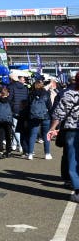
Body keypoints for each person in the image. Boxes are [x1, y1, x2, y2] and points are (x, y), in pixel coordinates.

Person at [47, 73, 79, 204]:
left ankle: (78, 191)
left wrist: (52, 128)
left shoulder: (70, 94)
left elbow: (60, 113)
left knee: (73, 159)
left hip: (73, 129)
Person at [25, 80, 52, 160]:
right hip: (45, 116)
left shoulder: (31, 94)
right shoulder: (46, 93)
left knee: (33, 135)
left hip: (33, 117)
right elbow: (49, 106)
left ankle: (30, 154)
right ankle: (47, 153)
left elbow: (28, 106)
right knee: (46, 135)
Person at [0, 87, 15, 159]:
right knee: (8, 137)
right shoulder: (10, 102)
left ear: (0, 94)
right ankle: (8, 151)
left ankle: (0, 152)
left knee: (0, 137)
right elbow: (13, 111)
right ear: (8, 94)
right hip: (8, 121)